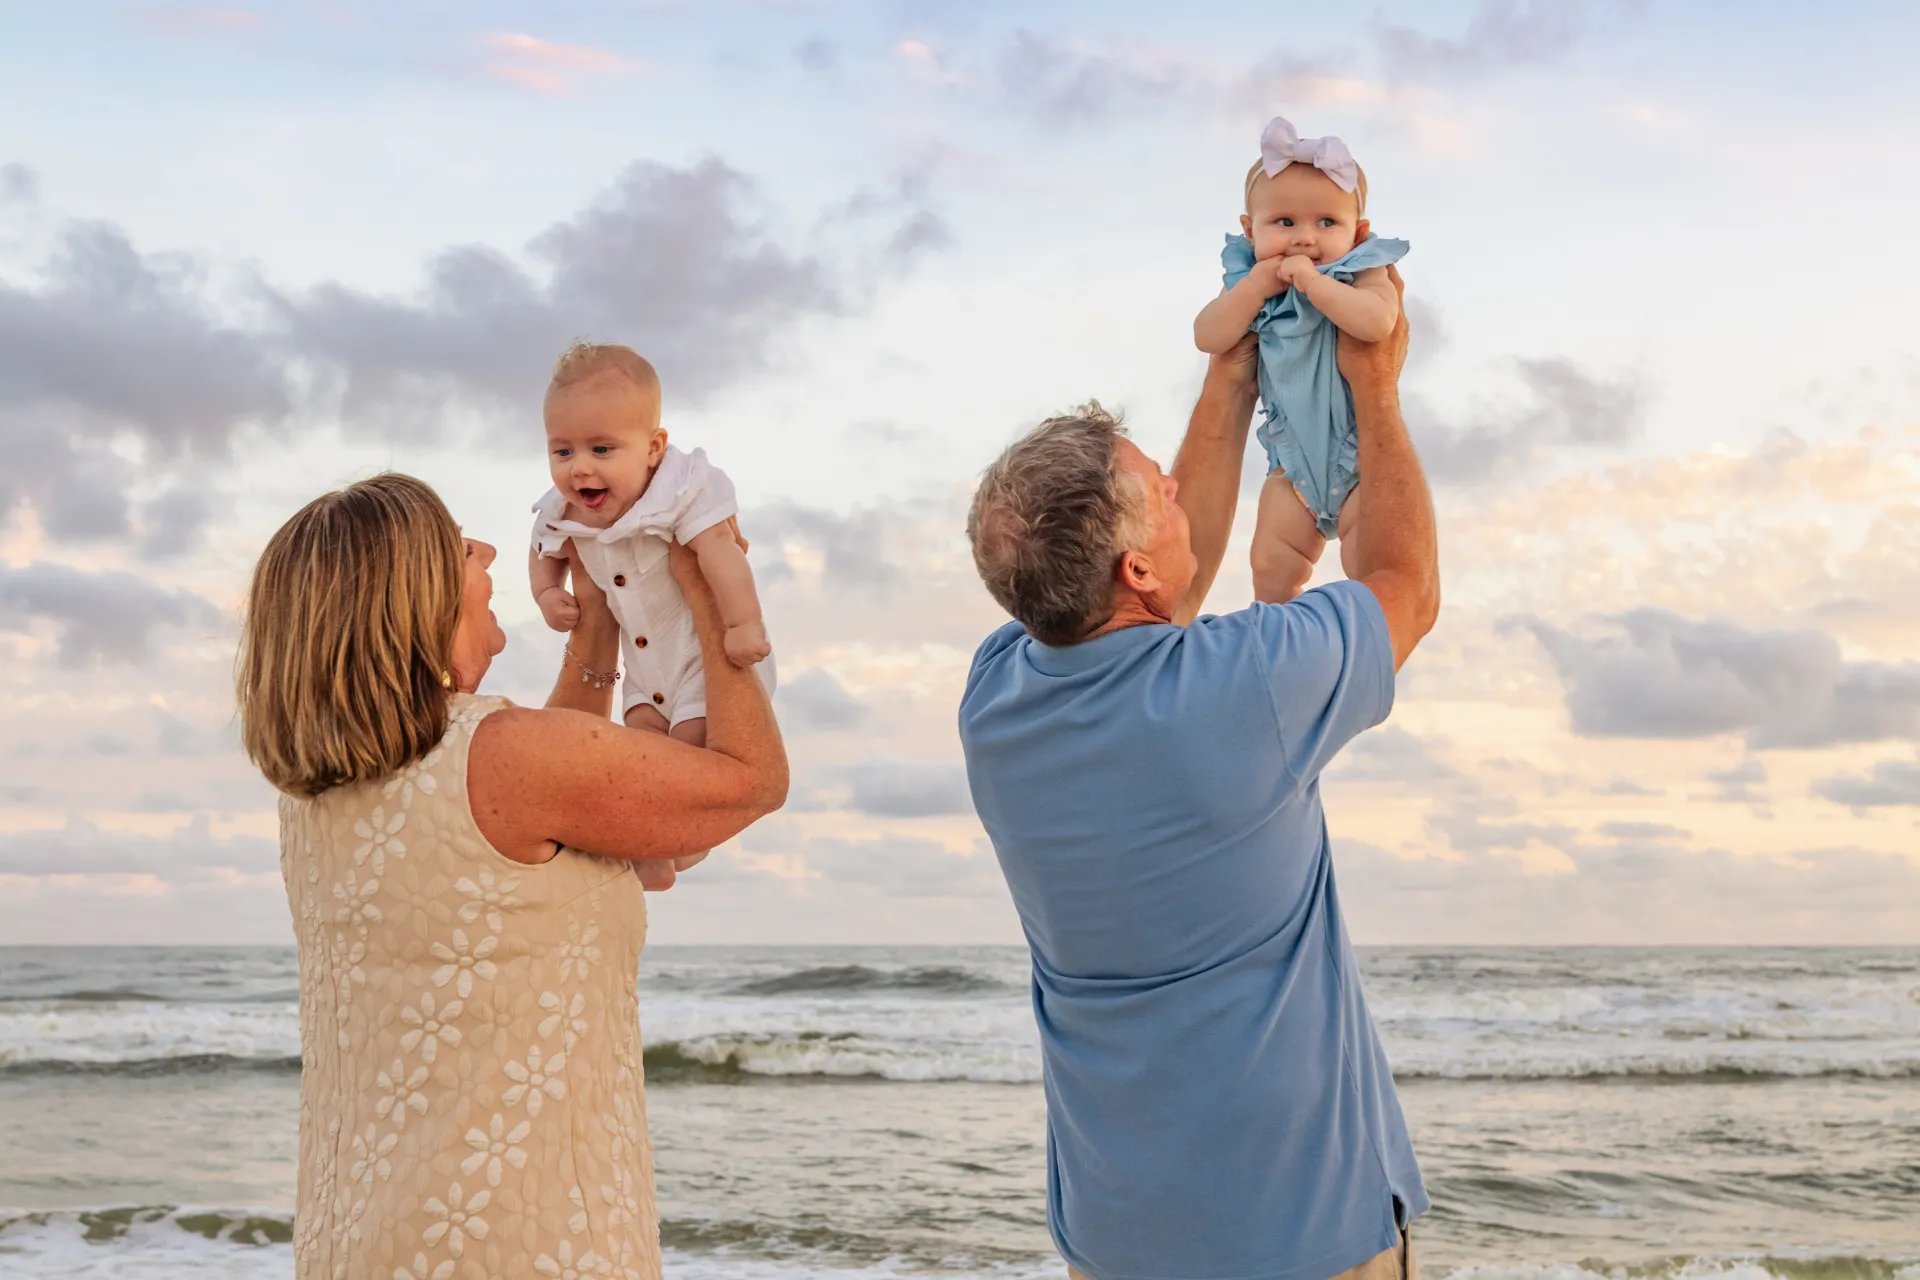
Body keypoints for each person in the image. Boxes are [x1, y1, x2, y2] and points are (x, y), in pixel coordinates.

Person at [959, 268, 1438, 1280]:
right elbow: (1405, 586)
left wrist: (1231, 377)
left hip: (1120, 1236)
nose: (1178, 490)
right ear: (1133, 570)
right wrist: (1376, 388)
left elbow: (1158, 599)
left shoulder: (996, 698)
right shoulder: (1247, 686)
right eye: (1160, 493)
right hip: (1303, 1234)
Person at [236, 473, 787, 1280]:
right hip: (521, 1242)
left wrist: (597, 632)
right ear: (411, 597)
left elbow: (542, 779)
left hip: (358, 1233)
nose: (490, 551)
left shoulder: (317, 793)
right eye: (461, 545)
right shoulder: (507, 760)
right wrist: (709, 593)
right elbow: (752, 779)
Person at [1194, 116, 1410, 604]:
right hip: (1290, 466)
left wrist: (1316, 284)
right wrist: (1253, 288)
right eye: (1284, 222)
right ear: (1250, 231)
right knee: (1270, 566)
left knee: (1370, 572)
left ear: (1359, 231)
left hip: (1358, 459)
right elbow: (1209, 336)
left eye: (1326, 222)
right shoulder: (1252, 281)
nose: (1304, 238)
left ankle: (1355, 640)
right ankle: (1279, 643)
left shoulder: (1361, 269)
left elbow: (1377, 323)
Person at [529, 341, 774, 755]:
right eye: (563, 450)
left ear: (654, 448)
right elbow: (543, 548)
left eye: (601, 449)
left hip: (704, 657)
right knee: (641, 753)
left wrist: (743, 625)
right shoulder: (565, 509)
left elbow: (723, 551)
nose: (580, 466)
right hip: (643, 671)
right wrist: (547, 593)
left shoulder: (681, 490)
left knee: (692, 747)